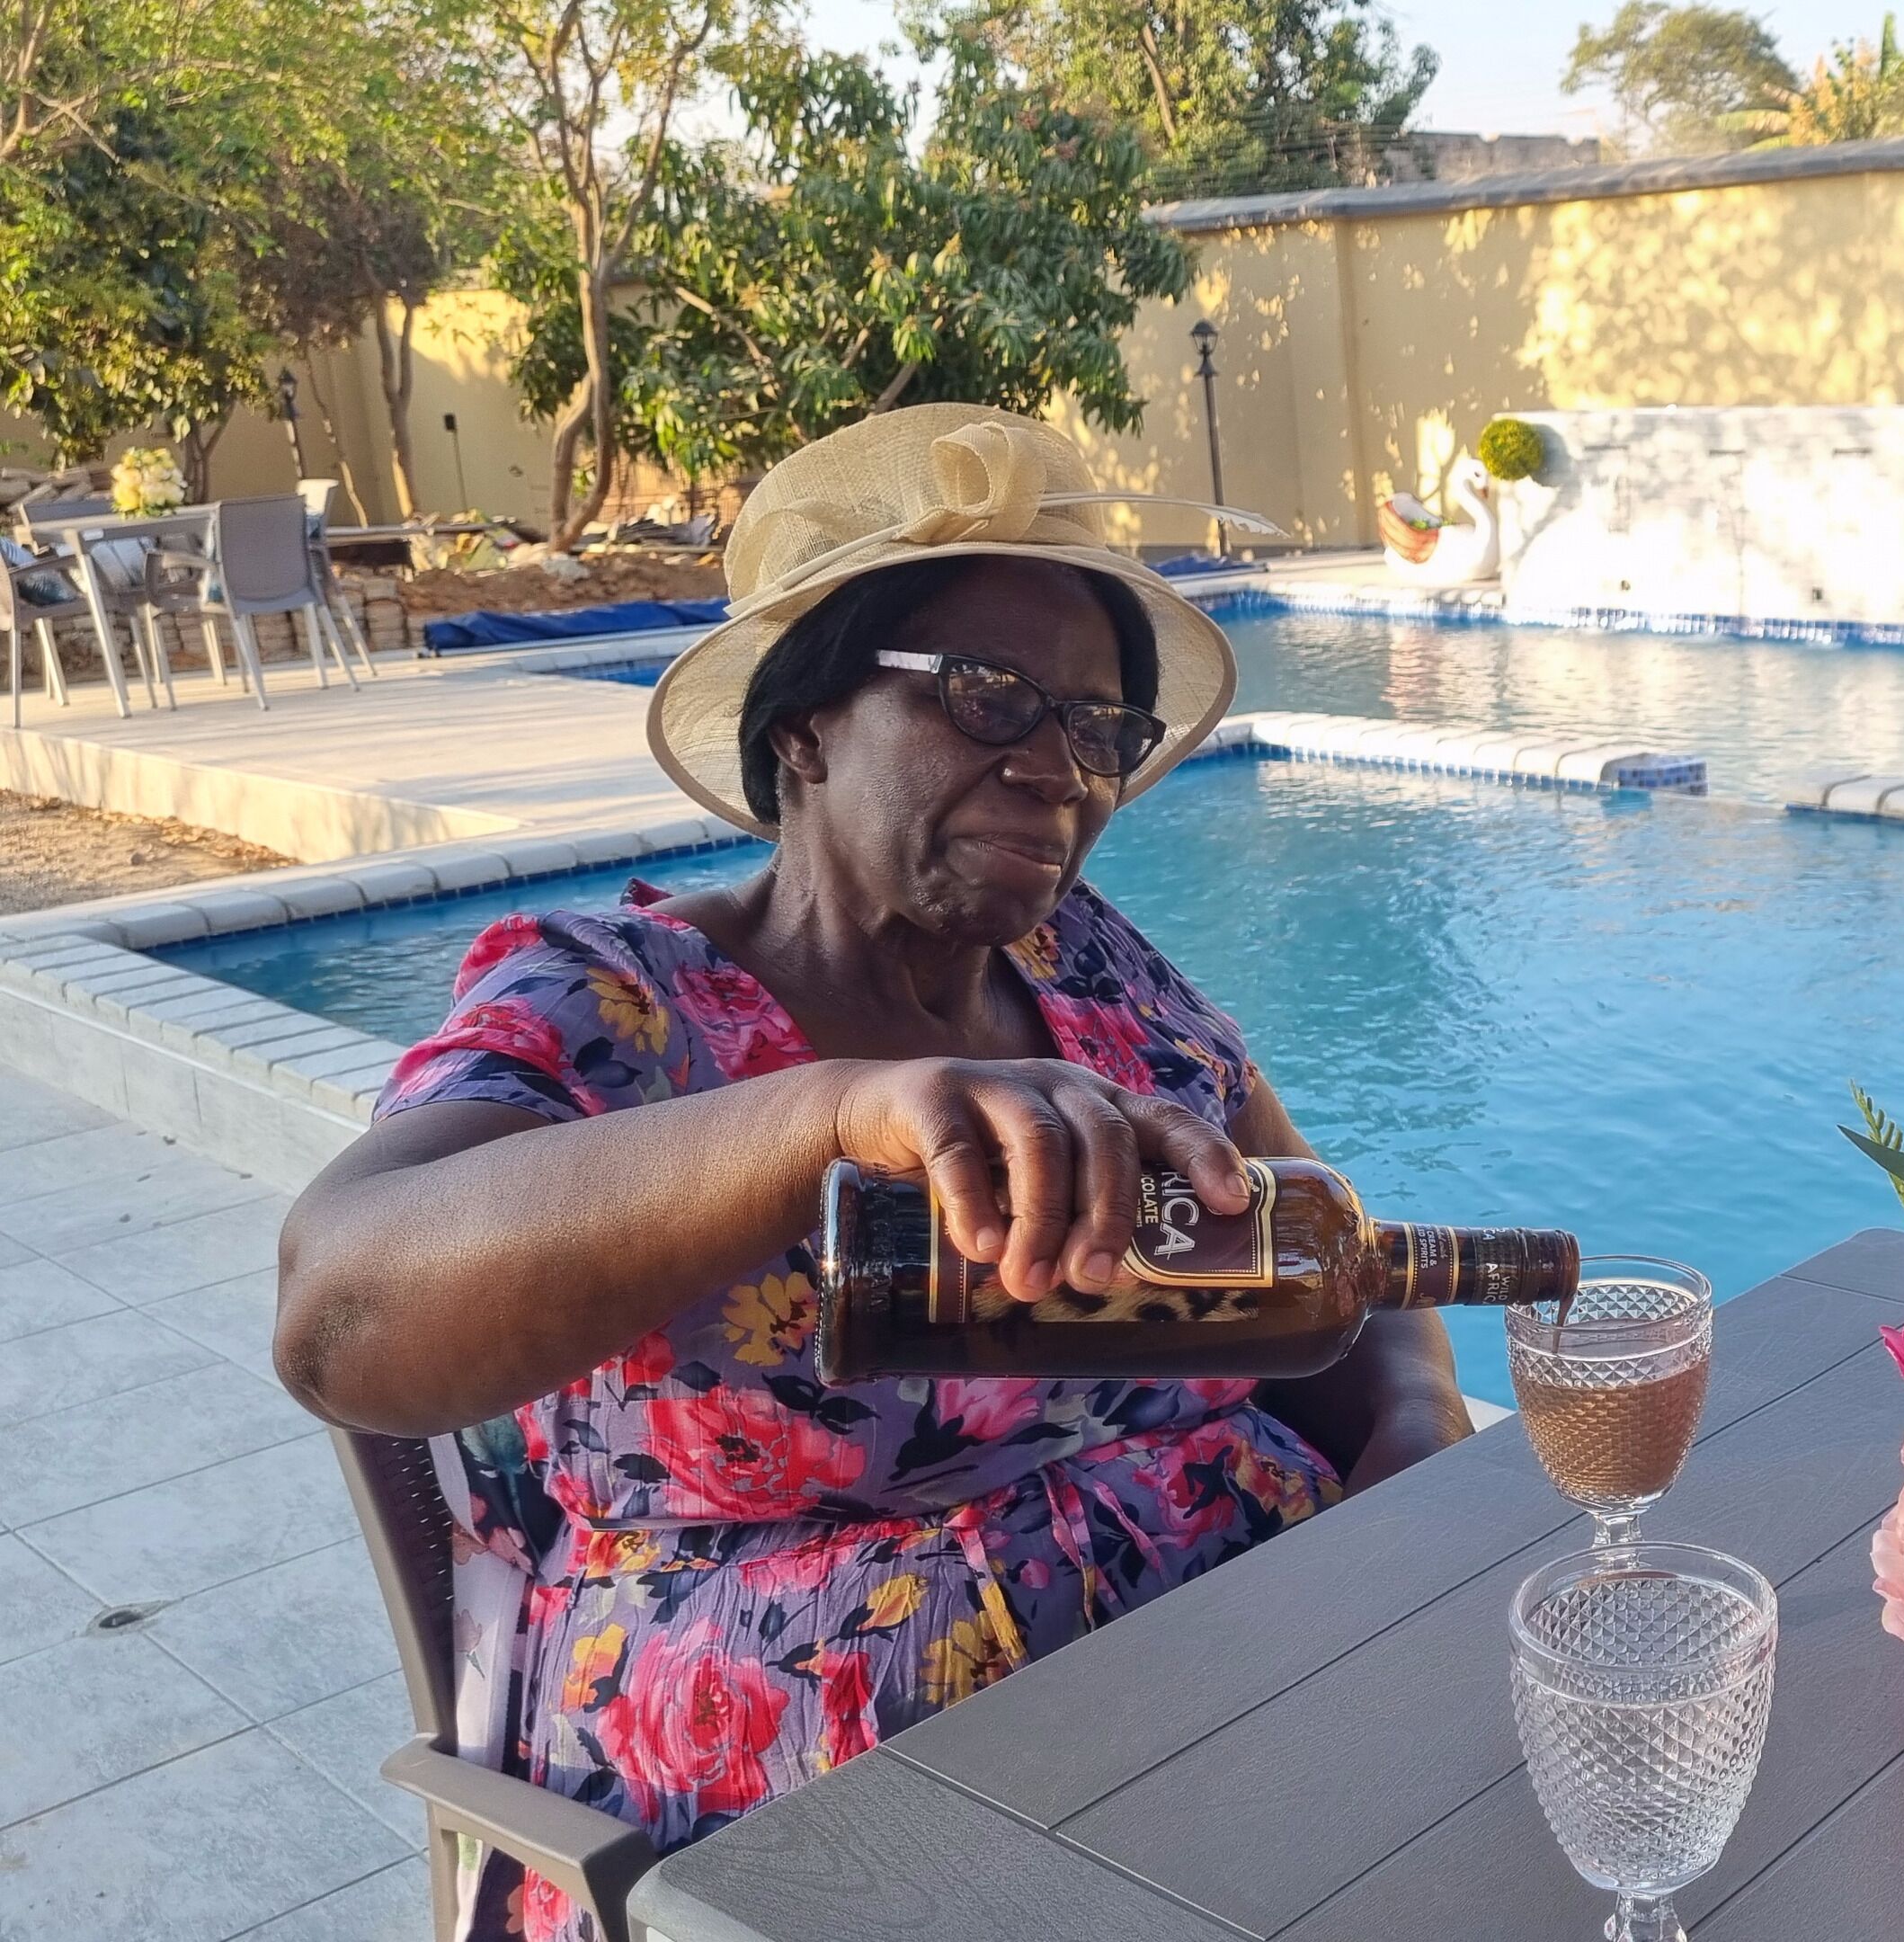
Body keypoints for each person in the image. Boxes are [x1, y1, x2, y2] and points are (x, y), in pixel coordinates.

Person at [274, 407, 1470, 1942]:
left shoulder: (1088, 962)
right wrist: (824, 1116)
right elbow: (336, 1317)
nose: (1061, 771)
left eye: (1098, 728)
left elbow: (1320, 1234)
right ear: (805, 727)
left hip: (1250, 1696)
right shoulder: (611, 1003)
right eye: (989, 699)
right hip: (825, 1817)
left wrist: (1421, 1431)